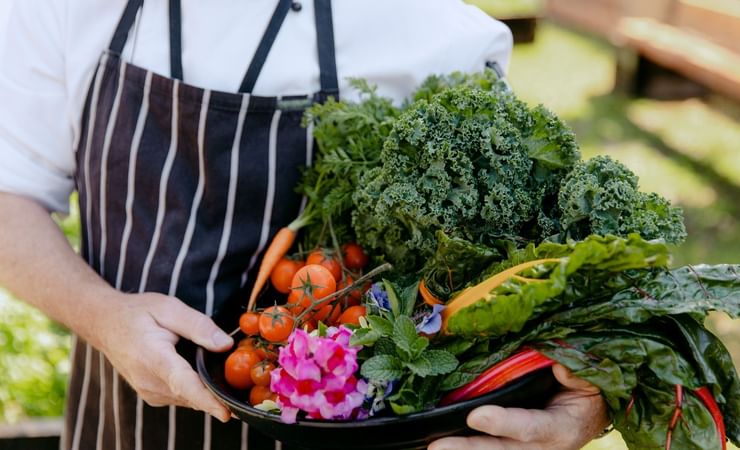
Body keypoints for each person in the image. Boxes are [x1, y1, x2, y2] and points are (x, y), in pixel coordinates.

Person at [0, 0, 609, 449]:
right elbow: (9, 194)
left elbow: (522, 265)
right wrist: (101, 314)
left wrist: (578, 403)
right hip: (126, 425)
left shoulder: (439, 34)